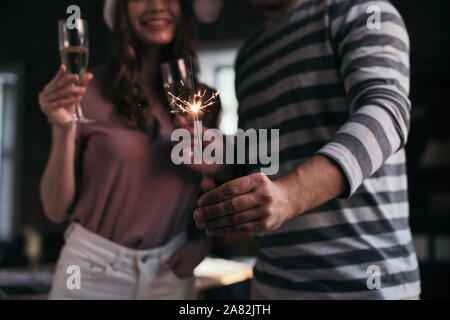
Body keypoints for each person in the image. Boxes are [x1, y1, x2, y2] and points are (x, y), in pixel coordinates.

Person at [194, 0, 421, 300]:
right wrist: (223, 160)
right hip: (272, 286)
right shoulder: (249, 55)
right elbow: (265, 156)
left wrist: (290, 195)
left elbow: (387, 113)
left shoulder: (361, 10)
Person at [39, 0, 218, 300]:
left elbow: (206, 188)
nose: (157, 5)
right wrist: (63, 127)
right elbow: (56, 210)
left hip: (170, 271)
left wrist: (202, 241)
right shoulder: (86, 91)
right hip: (90, 271)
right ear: (120, 12)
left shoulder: (206, 101)